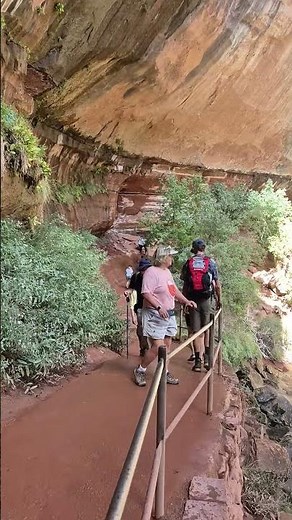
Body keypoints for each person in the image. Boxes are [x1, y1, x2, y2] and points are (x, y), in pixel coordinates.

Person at [133, 245, 197, 387]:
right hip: (155, 314)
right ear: (163, 257)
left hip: (169, 314)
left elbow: (173, 290)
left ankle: (164, 372)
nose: (172, 258)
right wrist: (159, 306)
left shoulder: (166, 272)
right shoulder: (151, 272)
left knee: (167, 347)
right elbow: (146, 292)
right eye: (170, 256)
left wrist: (186, 301)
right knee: (158, 347)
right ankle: (140, 369)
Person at [180, 238, 222, 372]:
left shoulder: (189, 263)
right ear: (204, 248)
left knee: (196, 332)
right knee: (208, 329)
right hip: (206, 300)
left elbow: (185, 285)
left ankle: (198, 361)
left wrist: (185, 301)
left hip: (192, 301)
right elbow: (217, 285)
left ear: (193, 249)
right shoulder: (211, 263)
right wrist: (218, 299)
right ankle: (208, 359)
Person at [124, 258, 152, 357]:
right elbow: (132, 288)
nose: (144, 271)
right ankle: (144, 348)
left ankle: (154, 349)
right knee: (141, 329)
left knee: (152, 329)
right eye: (143, 269)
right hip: (140, 307)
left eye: (146, 269)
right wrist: (128, 292)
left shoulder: (154, 277)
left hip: (153, 307)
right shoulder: (136, 277)